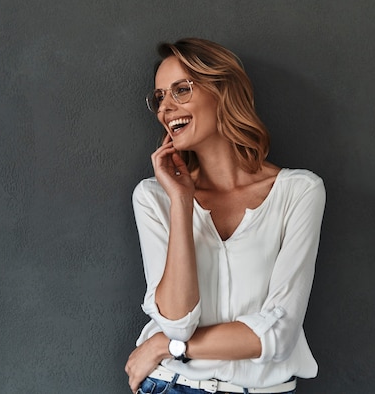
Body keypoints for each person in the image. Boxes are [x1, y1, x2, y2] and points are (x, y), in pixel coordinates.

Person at [125, 38, 326, 394]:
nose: (166, 108)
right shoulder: (154, 198)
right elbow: (176, 322)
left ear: (223, 93)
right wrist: (182, 202)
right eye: (159, 97)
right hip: (171, 385)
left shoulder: (298, 192)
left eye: (181, 90)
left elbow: (278, 333)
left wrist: (164, 347)